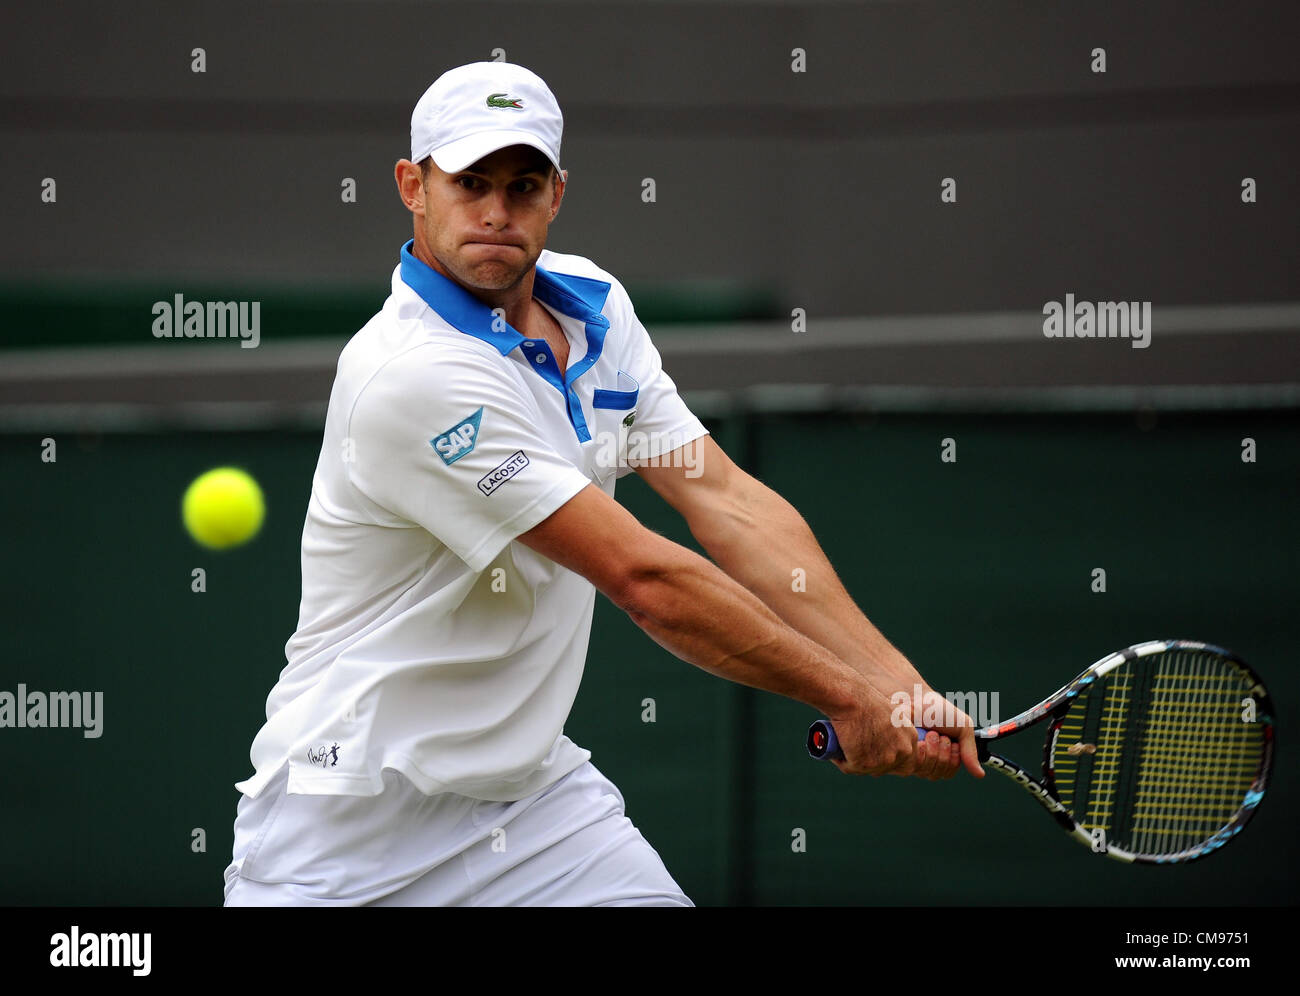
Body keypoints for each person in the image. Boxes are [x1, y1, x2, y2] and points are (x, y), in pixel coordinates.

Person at [223, 60, 982, 908]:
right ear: (413, 186)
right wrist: (848, 698)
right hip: (346, 834)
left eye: (523, 184)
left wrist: (894, 684)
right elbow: (644, 580)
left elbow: (724, 500)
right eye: (469, 181)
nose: (496, 211)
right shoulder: (411, 374)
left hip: (532, 809)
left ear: (557, 195)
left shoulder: (598, 307)